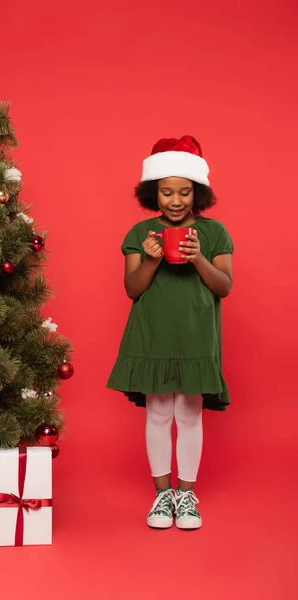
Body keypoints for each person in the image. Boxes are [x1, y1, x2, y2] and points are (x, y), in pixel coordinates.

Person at [107, 136, 234, 530]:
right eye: (166, 192)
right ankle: (162, 495)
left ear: (198, 193)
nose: (175, 201)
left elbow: (224, 286)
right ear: (153, 192)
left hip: (197, 338)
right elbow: (133, 289)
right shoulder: (140, 232)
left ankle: (186, 494)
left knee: (190, 414)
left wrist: (197, 258)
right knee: (159, 413)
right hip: (152, 336)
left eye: (184, 192)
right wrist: (150, 258)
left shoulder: (214, 233)